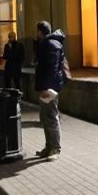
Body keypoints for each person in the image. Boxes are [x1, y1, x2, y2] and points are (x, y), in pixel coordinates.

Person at [33, 21, 67, 160]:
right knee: (46, 118)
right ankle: (49, 146)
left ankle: (55, 149)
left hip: (50, 87)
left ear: (40, 31)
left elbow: (51, 69)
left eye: (37, 31)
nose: (36, 34)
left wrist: (47, 88)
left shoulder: (51, 44)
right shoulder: (47, 43)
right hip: (46, 86)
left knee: (51, 117)